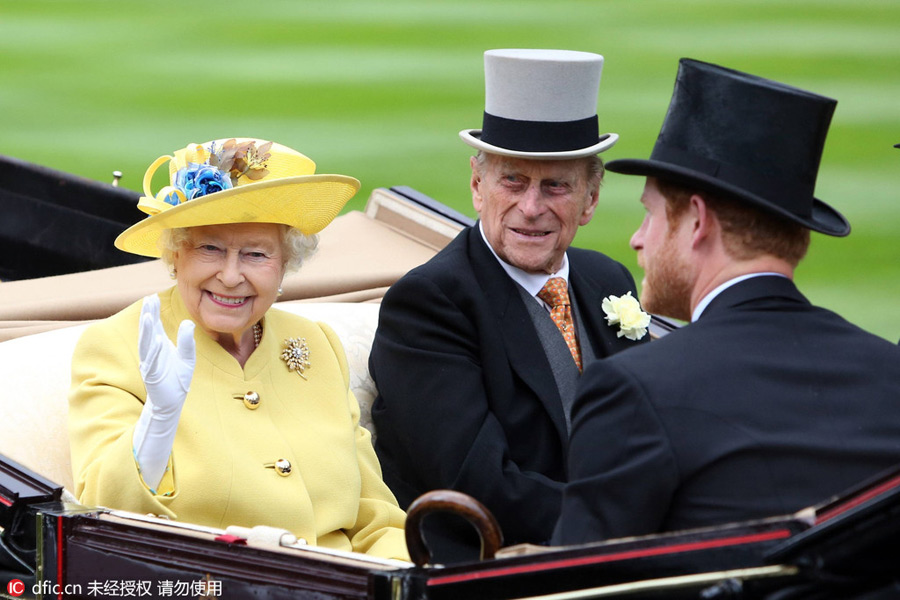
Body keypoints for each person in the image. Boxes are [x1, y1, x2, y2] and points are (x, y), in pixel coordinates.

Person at [554, 59, 900, 545]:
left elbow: (572, 584)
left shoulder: (633, 390)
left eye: (650, 215)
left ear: (698, 222)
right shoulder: (891, 372)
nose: (638, 239)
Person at [369, 49, 649, 562]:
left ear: (589, 199)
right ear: (478, 187)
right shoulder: (429, 304)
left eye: (556, 186)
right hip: (492, 567)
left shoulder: (607, 278)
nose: (531, 207)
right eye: (513, 181)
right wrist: (625, 522)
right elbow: (479, 484)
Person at [68, 138, 408, 560]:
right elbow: (103, 519)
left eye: (255, 254)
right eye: (209, 248)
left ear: (286, 263)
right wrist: (157, 424)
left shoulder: (316, 343)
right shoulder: (118, 346)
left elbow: (374, 518)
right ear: (176, 254)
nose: (230, 276)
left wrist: (413, 582)